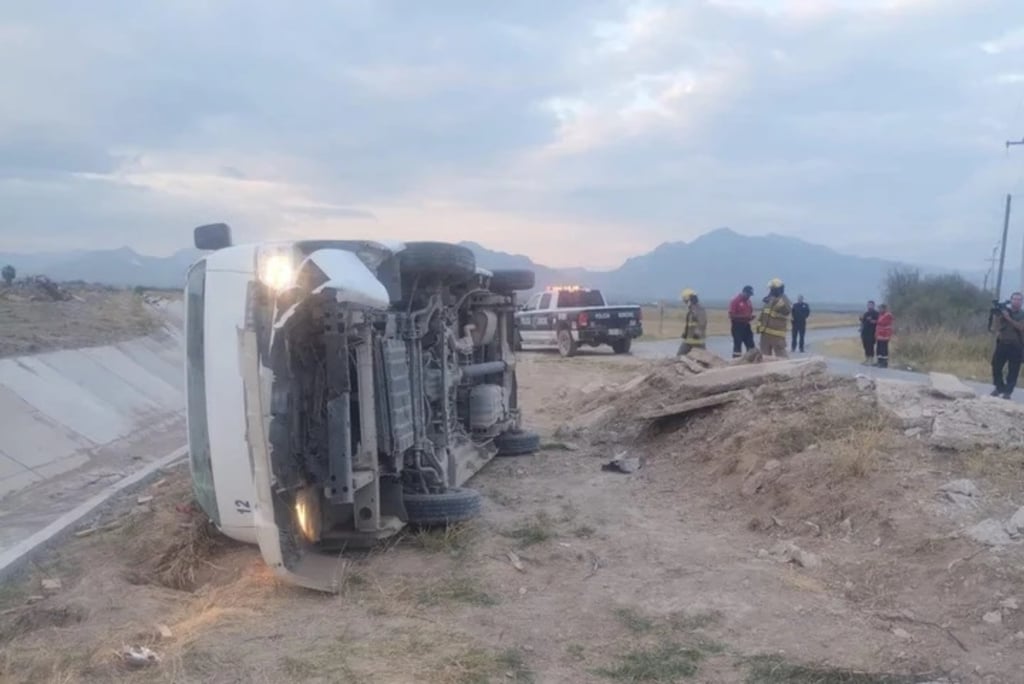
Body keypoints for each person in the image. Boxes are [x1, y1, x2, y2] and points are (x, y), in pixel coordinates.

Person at [991, 292, 1024, 399]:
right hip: (1002, 343)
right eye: (1014, 299)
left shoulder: (1022, 314)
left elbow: (1020, 327)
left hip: (1016, 345)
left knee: (1013, 370)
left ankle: (1008, 392)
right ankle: (999, 387)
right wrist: (997, 316)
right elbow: (995, 328)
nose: (1016, 301)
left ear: (1022, 302)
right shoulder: (1004, 312)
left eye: (1019, 299)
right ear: (1011, 300)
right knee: (996, 365)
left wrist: (1008, 318)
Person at [757, 278, 791, 358]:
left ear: (777, 289)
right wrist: (759, 326)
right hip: (765, 335)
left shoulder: (784, 299)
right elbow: (764, 314)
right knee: (764, 358)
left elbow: (787, 310)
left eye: (772, 289)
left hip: (777, 336)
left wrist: (774, 299)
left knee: (782, 357)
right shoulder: (769, 300)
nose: (770, 291)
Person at [676, 288, 708, 356]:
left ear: (688, 299)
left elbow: (702, 322)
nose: (684, 302)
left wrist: (697, 333)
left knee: (704, 359)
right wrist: (685, 333)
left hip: (697, 341)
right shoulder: (691, 309)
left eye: (684, 300)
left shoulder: (699, 309)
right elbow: (690, 324)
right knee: (679, 357)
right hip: (689, 340)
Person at [728, 285, 756, 358]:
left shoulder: (749, 301)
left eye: (750, 295)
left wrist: (750, 317)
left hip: (746, 326)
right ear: (744, 292)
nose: (749, 296)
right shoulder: (735, 301)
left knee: (751, 345)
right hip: (737, 326)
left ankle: (751, 361)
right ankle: (735, 363)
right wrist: (745, 317)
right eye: (748, 294)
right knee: (737, 346)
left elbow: (750, 312)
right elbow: (732, 316)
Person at [859, 300, 879, 365]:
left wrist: (872, 321)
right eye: (868, 305)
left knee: (870, 346)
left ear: (873, 305)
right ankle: (867, 359)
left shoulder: (876, 313)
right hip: (865, 332)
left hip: (872, 332)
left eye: (871, 305)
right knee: (865, 346)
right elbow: (863, 322)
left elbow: (878, 322)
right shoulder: (866, 313)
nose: (869, 306)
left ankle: (871, 360)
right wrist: (861, 319)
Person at [875, 304, 893, 368]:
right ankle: (879, 361)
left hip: (885, 335)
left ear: (884, 309)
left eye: (880, 309)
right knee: (879, 349)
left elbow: (882, 322)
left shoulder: (888, 315)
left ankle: (884, 362)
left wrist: (876, 321)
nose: (879, 310)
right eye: (879, 309)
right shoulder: (880, 315)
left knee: (884, 349)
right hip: (879, 335)